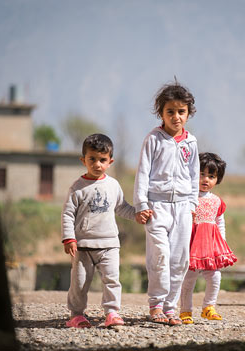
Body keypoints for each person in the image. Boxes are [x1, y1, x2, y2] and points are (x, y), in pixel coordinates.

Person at [62, 133, 151, 328]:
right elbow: (68, 214)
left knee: (112, 279)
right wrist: (69, 238)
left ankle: (112, 312)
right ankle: (76, 315)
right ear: (83, 160)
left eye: (102, 160)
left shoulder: (113, 185)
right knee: (79, 283)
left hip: (109, 244)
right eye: (92, 159)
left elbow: (122, 208)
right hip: (83, 246)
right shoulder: (77, 188)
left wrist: (137, 214)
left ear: (110, 161)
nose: (97, 164)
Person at [133, 81, 200, 325]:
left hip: (183, 208)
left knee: (180, 259)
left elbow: (194, 177)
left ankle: (171, 308)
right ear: (161, 113)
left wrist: (192, 205)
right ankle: (156, 305)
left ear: (188, 113)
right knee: (159, 256)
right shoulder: (153, 139)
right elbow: (142, 172)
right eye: (170, 111)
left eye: (181, 111)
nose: (176, 116)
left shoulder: (191, 142)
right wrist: (141, 204)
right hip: (157, 207)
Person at [179, 152, 237, 324]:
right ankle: (185, 311)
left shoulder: (217, 201)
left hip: (210, 247)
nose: (205, 179)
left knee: (215, 277)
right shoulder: (187, 198)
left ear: (217, 179)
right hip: (190, 245)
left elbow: (220, 222)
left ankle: (208, 307)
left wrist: (221, 244)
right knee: (189, 280)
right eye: (201, 174)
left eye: (211, 176)